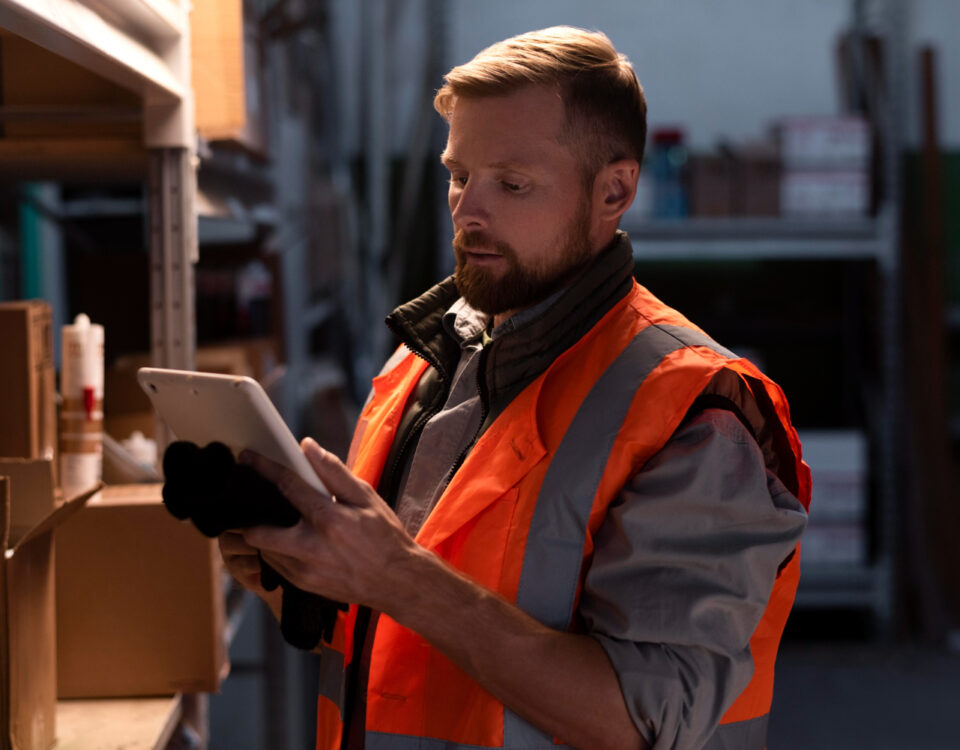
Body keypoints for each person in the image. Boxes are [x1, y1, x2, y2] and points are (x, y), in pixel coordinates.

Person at [219, 26, 809, 750]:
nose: (468, 210)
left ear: (615, 190)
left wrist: (396, 576)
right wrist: (305, 582)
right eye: (458, 174)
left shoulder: (693, 409)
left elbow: (639, 719)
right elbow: (407, 633)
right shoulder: (424, 364)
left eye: (512, 183)